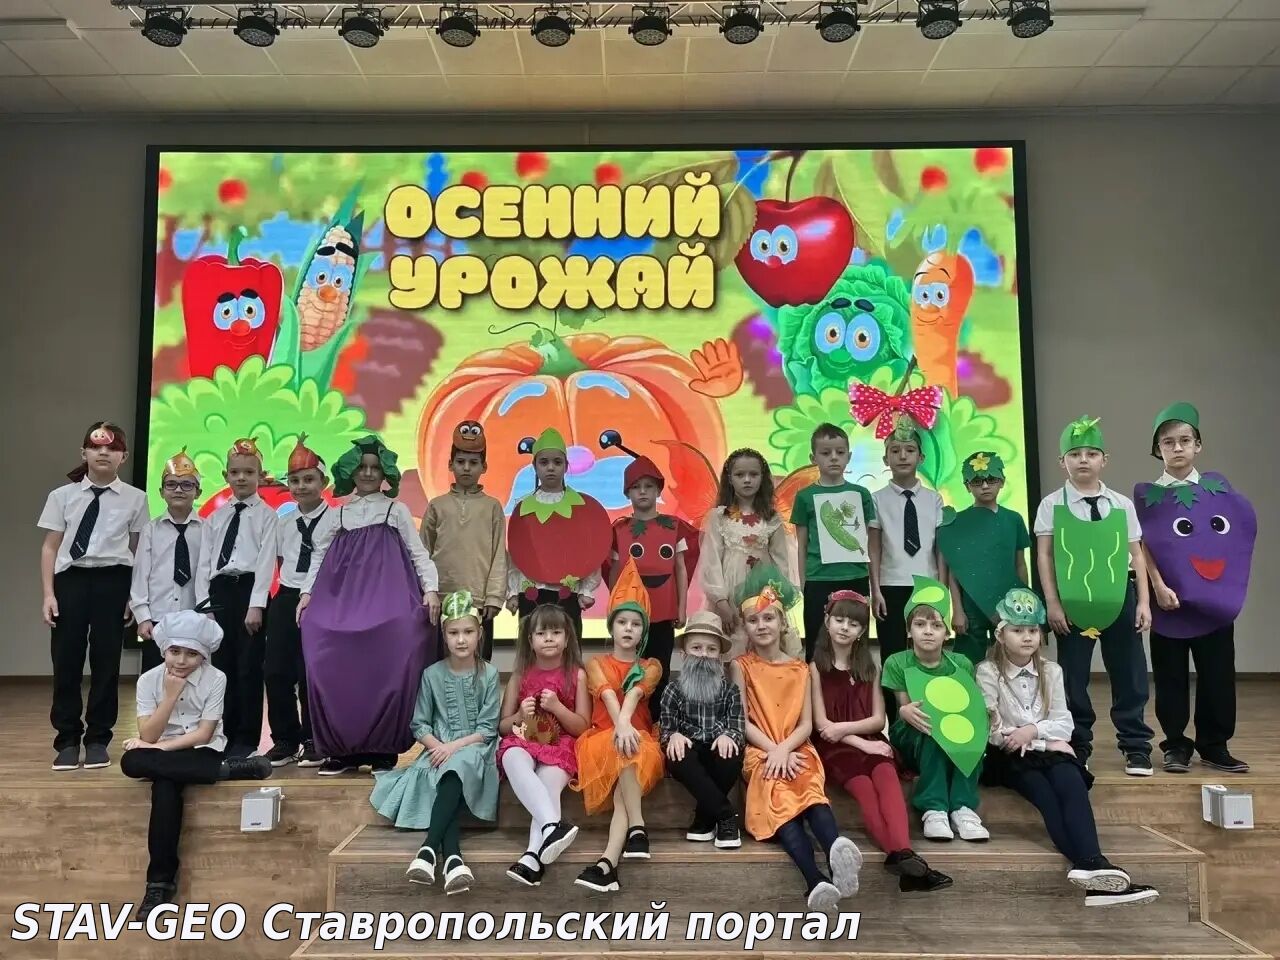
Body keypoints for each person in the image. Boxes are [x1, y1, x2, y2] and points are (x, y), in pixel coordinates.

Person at [977, 587, 1160, 907]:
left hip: (1045, 749)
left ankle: (1092, 868)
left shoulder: (1051, 671)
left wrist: (1033, 732)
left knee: (1071, 782)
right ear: (1001, 635)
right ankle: (1095, 868)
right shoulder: (988, 671)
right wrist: (1044, 738)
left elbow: (1064, 723)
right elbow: (995, 732)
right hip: (1008, 756)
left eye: (1033, 630)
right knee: (1045, 795)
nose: (1027, 637)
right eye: (1018, 631)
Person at [300, 435, 441, 776]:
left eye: (374, 468)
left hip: (387, 602)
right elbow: (319, 556)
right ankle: (342, 750)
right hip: (342, 604)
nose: (367, 473)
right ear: (350, 471)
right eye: (361, 467)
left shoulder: (396, 511)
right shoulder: (339, 515)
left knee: (396, 651)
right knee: (330, 660)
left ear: (385, 473)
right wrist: (306, 594)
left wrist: (431, 590)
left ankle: (382, 748)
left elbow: (418, 553)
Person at [122, 609, 272, 921]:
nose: (181, 661)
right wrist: (170, 697)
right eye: (175, 651)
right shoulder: (148, 680)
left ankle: (158, 885)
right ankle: (226, 771)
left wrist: (156, 748)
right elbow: (147, 734)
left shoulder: (216, 678)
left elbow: (203, 734)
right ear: (164, 650)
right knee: (130, 761)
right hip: (164, 753)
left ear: (204, 655)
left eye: (191, 654)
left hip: (199, 751)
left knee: (163, 785)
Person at [731, 565, 862, 912]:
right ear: (745, 627)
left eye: (768, 618)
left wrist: (787, 749)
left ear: (782, 623)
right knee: (779, 802)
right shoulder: (741, 666)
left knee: (809, 791)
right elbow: (742, 720)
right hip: (760, 751)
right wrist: (774, 751)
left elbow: (806, 724)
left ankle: (835, 851)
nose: (762, 625)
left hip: (796, 747)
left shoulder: (801, 669)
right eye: (753, 620)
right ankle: (814, 879)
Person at [1137, 403, 1256, 775]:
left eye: (1185, 440)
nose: (1177, 448)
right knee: (1170, 677)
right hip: (1168, 603)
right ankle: (1175, 744)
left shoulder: (1219, 494)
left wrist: (1225, 589)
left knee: (1217, 675)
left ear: (1197, 445)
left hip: (1212, 603)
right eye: (1168, 442)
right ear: (1157, 449)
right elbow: (1140, 545)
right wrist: (1157, 586)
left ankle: (1214, 745)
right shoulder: (1147, 499)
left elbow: (1233, 540)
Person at [1034, 416, 1154, 776]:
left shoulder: (1121, 504)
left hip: (1119, 598)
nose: (1083, 460)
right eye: (1074, 454)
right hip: (1072, 603)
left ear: (1104, 460)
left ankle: (1135, 745)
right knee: (1073, 677)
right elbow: (1045, 555)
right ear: (1062, 462)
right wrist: (1052, 603)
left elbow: (1136, 555)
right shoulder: (1052, 504)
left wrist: (1143, 601)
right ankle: (1078, 743)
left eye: (1091, 453)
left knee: (1130, 673)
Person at [810, 589, 949, 892]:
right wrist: (862, 742)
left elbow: (878, 719)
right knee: (865, 790)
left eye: (854, 624)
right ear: (827, 621)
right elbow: (823, 726)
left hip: (869, 739)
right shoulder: (815, 667)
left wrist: (862, 737)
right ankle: (908, 863)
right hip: (836, 750)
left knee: (887, 775)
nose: (845, 628)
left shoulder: (870, 666)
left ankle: (903, 855)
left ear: (862, 631)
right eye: (839, 620)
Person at [370, 591, 500, 896]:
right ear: (444, 635)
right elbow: (420, 724)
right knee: (444, 776)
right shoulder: (431, 674)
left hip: (477, 748)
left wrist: (452, 748)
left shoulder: (490, 674)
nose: (461, 640)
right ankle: (453, 860)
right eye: (454, 633)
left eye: (468, 632)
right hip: (438, 749)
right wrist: (437, 746)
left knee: (456, 765)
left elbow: (487, 729)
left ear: (479, 634)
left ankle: (428, 848)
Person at [39, 421, 148, 772]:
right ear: (83, 453)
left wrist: (133, 596)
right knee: (66, 660)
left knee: (106, 662)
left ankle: (99, 738)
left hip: (113, 581)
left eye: (112, 448)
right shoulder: (62, 496)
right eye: (96, 447)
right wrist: (48, 594)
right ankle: (67, 739)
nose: (104, 453)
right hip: (71, 581)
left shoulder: (136, 498)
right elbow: (50, 547)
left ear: (123, 457)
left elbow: (138, 550)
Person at [573, 559, 666, 893]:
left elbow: (635, 693)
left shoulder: (652, 665)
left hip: (638, 741)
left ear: (643, 631)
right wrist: (621, 726)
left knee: (628, 756)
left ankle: (607, 864)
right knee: (624, 746)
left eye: (636, 624)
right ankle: (638, 828)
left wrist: (626, 727)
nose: (628, 629)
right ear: (611, 627)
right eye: (622, 622)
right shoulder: (595, 663)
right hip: (602, 738)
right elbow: (609, 695)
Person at [882, 576, 989, 843]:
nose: (928, 631)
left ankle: (963, 809)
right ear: (909, 631)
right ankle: (934, 808)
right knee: (932, 731)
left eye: (936, 625)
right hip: (912, 731)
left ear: (946, 633)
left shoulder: (962, 663)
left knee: (972, 732)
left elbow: (968, 706)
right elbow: (905, 707)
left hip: (952, 727)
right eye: (920, 624)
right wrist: (905, 711)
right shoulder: (897, 662)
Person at [193, 438, 277, 759]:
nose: (241, 478)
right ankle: (223, 734)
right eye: (235, 472)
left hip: (249, 591)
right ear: (225, 475)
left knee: (248, 667)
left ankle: (246, 739)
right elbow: (204, 564)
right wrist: (205, 607)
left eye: (249, 472)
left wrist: (257, 605)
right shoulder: (215, 518)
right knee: (222, 667)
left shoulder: (267, 516)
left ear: (260, 476)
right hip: (220, 592)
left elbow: (266, 563)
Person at [497, 603, 590, 887]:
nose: (549, 638)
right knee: (511, 755)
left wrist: (558, 708)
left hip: (561, 744)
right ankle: (552, 826)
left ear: (567, 638)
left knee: (548, 782)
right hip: (525, 738)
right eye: (541, 633)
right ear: (530, 640)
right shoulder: (520, 675)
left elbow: (582, 727)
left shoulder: (577, 674)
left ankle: (532, 857)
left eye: (556, 632)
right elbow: (503, 727)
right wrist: (519, 716)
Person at [606, 443, 698, 708]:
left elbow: (680, 568)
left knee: (660, 669)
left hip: (663, 613)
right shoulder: (620, 530)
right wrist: (613, 609)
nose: (643, 491)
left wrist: (681, 608)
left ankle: (658, 721)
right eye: (636, 487)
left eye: (648, 486)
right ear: (627, 492)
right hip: (630, 613)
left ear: (658, 490)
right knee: (628, 668)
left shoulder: (674, 527)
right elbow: (614, 572)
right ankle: (632, 718)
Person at [263, 436, 336, 768]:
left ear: (324, 482)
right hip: (288, 595)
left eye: (309, 479)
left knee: (312, 673)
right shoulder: (284, 522)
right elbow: (280, 562)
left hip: (322, 599)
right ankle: (285, 739)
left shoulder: (336, 520)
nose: (301, 486)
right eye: (295, 480)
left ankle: (314, 738)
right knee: (276, 670)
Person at [870, 422, 948, 726]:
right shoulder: (877, 499)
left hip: (926, 586)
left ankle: (929, 720)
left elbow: (940, 548)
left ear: (921, 457)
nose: (903, 456)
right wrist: (875, 589)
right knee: (892, 656)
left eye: (910, 450)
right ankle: (897, 726)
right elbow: (874, 548)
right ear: (885, 458)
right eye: (895, 451)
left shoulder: (934, 499)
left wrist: (941, 588)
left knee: (927, 653)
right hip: (890, 585)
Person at [505, 428, 611, 640]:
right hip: (531, 591)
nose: (551, 468)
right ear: (534, 466)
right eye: (544, 462)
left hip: (568, 592)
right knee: (532, 645)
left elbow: (590, 549)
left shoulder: (581, 507)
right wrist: (513, 592)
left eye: (557, 462)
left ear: (566, 466)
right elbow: (517, 553)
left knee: (568, 645)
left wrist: (587, 590)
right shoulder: (522, 507)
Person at [789, 423, 878, 663]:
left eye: (840, 452)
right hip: (819, 578)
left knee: (857, 642)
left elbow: (867, 541)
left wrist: (873, 584)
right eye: (826, 453)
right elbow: (801, 545)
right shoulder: (805, 497)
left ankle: (858, 684)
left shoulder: (861, 494)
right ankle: (817, 685)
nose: (834, 458)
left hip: (856, 576)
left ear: (849, 456)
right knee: (818, 642)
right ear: (813, 458)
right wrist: (804, 582)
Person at [421, 420, 507, 662]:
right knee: (440, 663)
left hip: (478, 600)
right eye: (460, 462)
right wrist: (427, 591)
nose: (466, 468)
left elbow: (499, 554)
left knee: (478, 666)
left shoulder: (492, 507)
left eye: (473, 462)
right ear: (450, 464)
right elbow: (422, 552)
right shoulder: (437, 506)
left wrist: (493, 597)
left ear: (484, 466)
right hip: (441, 598)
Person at [659, 611, 744, 850]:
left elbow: (738, 728)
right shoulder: (672, 690)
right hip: (690, 754)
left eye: (711, 649)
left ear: (719, 657)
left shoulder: (730, 690)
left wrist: (729, 735)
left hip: (718, 750)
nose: (704, 654)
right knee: (677, 755)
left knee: (731, 754)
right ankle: (726, 815)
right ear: (684, 654)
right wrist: (673, 735)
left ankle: (704, 819)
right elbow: (666, 731)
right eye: (696, 648)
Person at [937, 451, 1031, 665]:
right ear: (967, 485)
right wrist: (957, 610)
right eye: (977, 481)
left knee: (1009, 662)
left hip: (1008, 603)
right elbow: (954, 572)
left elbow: (1020, 565)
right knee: (967, 664)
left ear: (1002, 482)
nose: (985, 486)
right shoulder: (957, 522)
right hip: (971, 607)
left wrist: (1023, 604)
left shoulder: (1013, 519)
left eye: (992, 480)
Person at [700, 448, 792, 657]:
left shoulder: (772, 518)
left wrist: (773, 599)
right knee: (731, 648)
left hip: (763, 593)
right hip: (728, 595)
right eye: (740, 475)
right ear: (730, 479)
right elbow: (711, 561)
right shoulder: (719, 516)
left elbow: (781, 563)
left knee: (761, 649)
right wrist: (721, 602)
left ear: (763, 478)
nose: (747, 480)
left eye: (753, 474)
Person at [131, 447, 204, 675]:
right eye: (171, 484)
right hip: (158, 619)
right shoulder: (151, 530)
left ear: (198, 492)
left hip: (194, 618)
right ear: (161, 492)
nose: (179, 490)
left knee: (192, 680)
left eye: (187, 485)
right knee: (155, 678)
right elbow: (140, 575)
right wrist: (143, 617)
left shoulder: (207, 530)